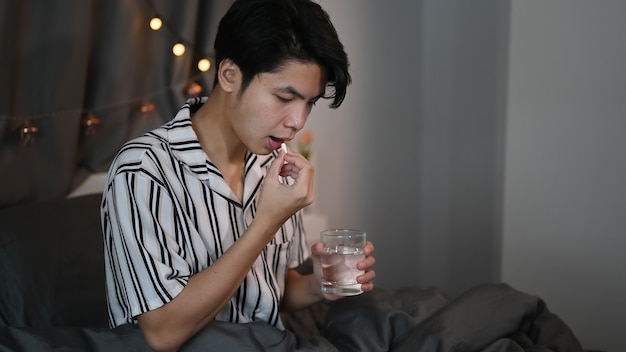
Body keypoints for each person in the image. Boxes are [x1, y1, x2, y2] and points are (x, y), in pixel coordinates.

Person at [101, 0, 376, 351]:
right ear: (230, 75)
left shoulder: (274, 166)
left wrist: (316, 284)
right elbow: (163, 331)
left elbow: (267, 290)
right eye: (284, 97)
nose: (298, 121)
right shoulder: (144, 171)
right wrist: (266, 223)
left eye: (309, 103)